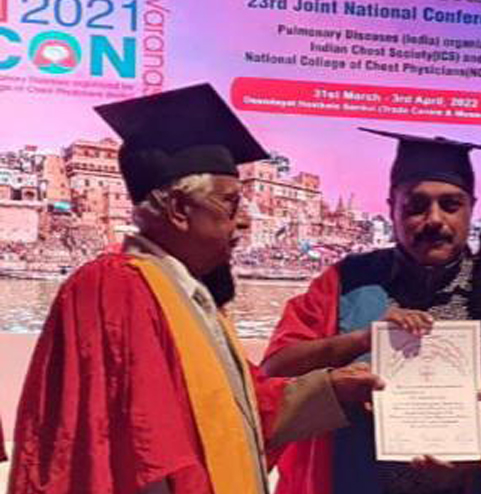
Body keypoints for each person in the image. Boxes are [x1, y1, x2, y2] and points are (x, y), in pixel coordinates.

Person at [8, 84, 381, 494]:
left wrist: (332, 389)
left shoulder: (187, 294)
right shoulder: (115, 288)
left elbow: (237, 416)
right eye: (230, 204)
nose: (243, 221)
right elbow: (144, 450)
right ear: (179, 209)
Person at [261, 128, 481, 494]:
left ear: (471, 208)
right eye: (416, 205)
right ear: (391, 206)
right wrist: (359, 341)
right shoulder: (345, 283)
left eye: (451, 205)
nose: (434, 219)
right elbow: (274, 371)